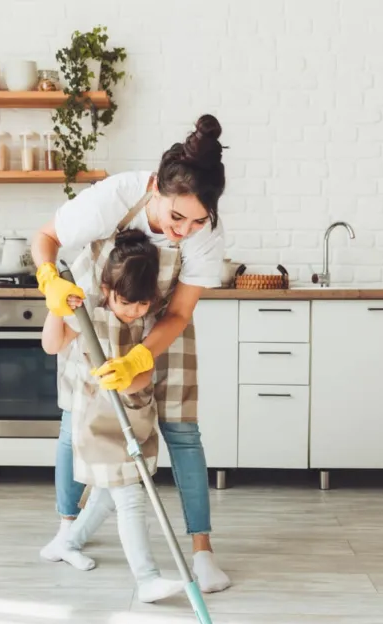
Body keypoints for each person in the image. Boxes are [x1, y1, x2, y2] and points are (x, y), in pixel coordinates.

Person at [34, 114, 231, 593]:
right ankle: (68, 530)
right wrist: (50, 284)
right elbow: (47, 238)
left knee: (183, 434)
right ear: (156, 190)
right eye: (175, 217)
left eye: (198, 219)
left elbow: (179, 312)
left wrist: (142, 358)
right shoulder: (119, 195)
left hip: (163, 326)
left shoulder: (206, 235)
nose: (184, 230)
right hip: (95, 318)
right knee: (74, 424)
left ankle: (202, 554)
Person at [40, 229, 185, 603]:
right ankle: (147, 578)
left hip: (135, 414)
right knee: (129, 495)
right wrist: (57, 308)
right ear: (106, 289)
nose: (132, 310)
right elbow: (51, 345)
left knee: (107, 492)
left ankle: (67, 543)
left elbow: (146, 372)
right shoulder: (86, 313)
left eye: (141, 304)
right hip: (97, 420)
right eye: (124, 302)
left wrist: (132, 371)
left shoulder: (148, 319)